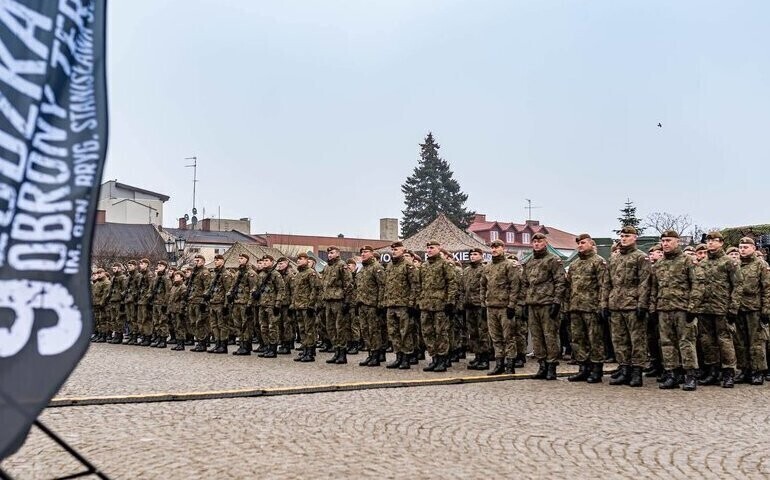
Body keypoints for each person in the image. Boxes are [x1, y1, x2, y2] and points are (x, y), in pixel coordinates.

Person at [690, 231, 743, 388]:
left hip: (722, 308)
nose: (710, 243)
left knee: (725, 340)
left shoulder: (728, 262)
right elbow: (697, 287)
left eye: (714, 241)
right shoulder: (703, 263)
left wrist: (733, 308)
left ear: (721, 243)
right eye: (709, 241)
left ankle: (728, 372)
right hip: (705, 309)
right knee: (707, 341)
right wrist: (694, 307)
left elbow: (738, 286)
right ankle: (712, 371)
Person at [650, 230, 698, 391]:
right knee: (666, 343)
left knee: (686, 342)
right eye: (663, 241)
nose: (665, 244)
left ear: (677, 242)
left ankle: (690, 375)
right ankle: (672, 374)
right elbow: (654, 289)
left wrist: (693, 308)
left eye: (669, 240)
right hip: (664, 309)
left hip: (682, 308)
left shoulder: (687, 261)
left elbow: (696, 285)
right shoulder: (659, 264)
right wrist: (653, 309)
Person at [604, 226, 651, 387]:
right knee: (619, 340)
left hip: (633, 305)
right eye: (622, 236)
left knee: (637, 340)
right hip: (616, 304)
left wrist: (642, 304)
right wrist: (605, 303)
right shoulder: (614, 259)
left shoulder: (641, 258)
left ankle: (637, 371)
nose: (623, 238)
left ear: (635, 237)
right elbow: (607, 283)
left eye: (627, 236)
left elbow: (645, 282)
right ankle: (624, 369)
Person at [521, 233, 567, 380]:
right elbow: (524, 284)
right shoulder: (529, 262)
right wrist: (523, 303)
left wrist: (556, 301)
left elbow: (560, 282)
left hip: (547, 303)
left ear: (545, 242)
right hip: (533, 304)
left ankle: (552, 365)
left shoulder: (553, 260)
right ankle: (542, 365)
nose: (536, 244)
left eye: (540, 241)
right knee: (537, 336)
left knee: (550, 335)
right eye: (534, 241)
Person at [565, 234, 607, 383]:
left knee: (594, 339)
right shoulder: (575, 264)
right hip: (576, 307)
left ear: (590, 244)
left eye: (583, 243)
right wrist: (567, 306)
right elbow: (569, 286)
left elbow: (604, 285)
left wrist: (602, 305)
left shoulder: (598, 262)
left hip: (592, 307)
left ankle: (596, 369)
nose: (580, 246)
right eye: (579, 243)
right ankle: (583, 368)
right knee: (578, 339)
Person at [481, 240, 523, 375]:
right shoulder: (487, 267)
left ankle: (510, 364)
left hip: (505, 307)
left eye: (497, 247)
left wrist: (512, 305)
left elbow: (515, 286)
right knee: (495, 337)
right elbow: (483, 286)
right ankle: (499, 363)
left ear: (503, 248)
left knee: (508, 337)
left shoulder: (509, 265)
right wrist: (483, 303)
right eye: (492, 247)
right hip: (491, 306)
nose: (494, 250)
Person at [417, 240, 458, 372]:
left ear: (439, 248)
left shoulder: (445, 264)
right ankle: (434, 359)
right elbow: (420, 285)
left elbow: (452, 283)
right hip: (426, 305)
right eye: (428, 248)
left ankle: (442, 359)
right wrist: (419, 301)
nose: (429, 250)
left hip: (440, 305)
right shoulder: (424, 266)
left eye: (432, 248)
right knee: (428, 333)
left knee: (441, 333)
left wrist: (450, 302)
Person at [734, 237, 770, 385]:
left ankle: (757, 371)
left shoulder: (760, 265)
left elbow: (767, 289)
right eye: (741, 247)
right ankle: (744, 369)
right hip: (738, 308)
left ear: (753, 248)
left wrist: (766, 309)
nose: (743, 249)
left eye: (746, 247)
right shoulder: (735, 265)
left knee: (756, 342)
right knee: (740, 342)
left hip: (754, 308)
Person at [355, 245, 386, 367]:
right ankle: (370, 354)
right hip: (362, 304)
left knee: (374, 331)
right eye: (362, 252)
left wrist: (380, 304)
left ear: (372, 253)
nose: (363, 254)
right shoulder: (363, 269)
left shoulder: (376, 267)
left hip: (373, 305)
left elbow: (382, 286)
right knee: (366, 331)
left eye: (366, 252)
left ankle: (376, 355)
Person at [462, 247, 491, 370]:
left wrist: (485, 304)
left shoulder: (484, 269)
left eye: (475, 254)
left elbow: (487, 287)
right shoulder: (467, 270)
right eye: (471, 255)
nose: (472, 256)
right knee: (473, 333)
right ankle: (477, 356)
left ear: (481, 256)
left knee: (482, 332)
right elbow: (463, 287)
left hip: (480, 305)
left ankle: (485, 358)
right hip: (469, 305)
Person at [290, 252, 320, 362]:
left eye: (301, 259)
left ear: (307, 260)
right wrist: (293, 305)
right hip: (299, 305)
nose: (298, 260)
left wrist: (311, 305)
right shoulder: (298, 274)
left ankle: (310, 352)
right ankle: (305, 350)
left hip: (307, 306)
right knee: (302, 330)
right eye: (298, 259)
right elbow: (296, 292)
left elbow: (315, 289)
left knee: (309, 330)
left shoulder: (310, 273)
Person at [256, 255, 286, 359]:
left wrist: (277, 304)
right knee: (263, 327)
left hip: (272, 305)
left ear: (272, 262)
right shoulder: (261, 274)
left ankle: (273, 349)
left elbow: (281, 289)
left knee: (272, 327)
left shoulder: (275, 274)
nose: (264, 262)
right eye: (263, 261)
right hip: (262, 304)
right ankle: (267, 346)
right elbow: (258, 288)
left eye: (266, 261)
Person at [228, 253, 258, 356]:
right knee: (238, 325)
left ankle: (246, 346)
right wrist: (230, 295)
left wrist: (250, 304)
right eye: (239, 258)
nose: (240, 260)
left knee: (246, 325)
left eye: (242, 258)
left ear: (247, 260)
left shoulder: (251, 273)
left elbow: (253, 289)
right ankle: (241, 345)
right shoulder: (237, 273)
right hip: (237, 302)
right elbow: (233, 286)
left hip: (245, 303)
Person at [187, 254, 212, 352]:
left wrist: (204, 301)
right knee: (193, 322)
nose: (196, 262)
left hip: (200, 301)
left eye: (198, 260)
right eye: (195, 260)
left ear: (203, 261)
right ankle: (199, 341)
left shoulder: (205, 273)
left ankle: (203, 342)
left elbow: (208, 287)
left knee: (200, 322)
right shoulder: (194, 272)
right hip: (192, 300)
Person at [150, 260, 172, 348]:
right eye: (158, 265)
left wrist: (165, 304)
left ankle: (163, 340)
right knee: (156, 321)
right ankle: (158, 338)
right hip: (155, 303)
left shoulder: (166, 278)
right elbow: (152, 290)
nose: (158, 267)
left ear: (164, 267)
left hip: (162, 303)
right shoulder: (156, 278)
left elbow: (168, 292)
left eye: (161, 266)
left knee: (162, 322)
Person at [136, 258, 156, 346]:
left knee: (146, 319)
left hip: (145, 300)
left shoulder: (149, 275)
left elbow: (151, 288)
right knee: (140, 319)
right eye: (140, 264)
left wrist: (148, 299)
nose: (140, 265)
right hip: (140, 299)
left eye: (142, 264)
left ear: (147, 265)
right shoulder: (141, 275)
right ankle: (143, 336)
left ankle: (148, 337)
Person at [107, 263, 128, 344]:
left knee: (119, 319)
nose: (113, 270)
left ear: (119, 268)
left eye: (115, 268)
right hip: (113, 300)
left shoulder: (122, 278)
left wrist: (122, 302)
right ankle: (115, 334)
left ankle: (119, 335)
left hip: (119, 301)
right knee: (113, 319)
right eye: (113, 268)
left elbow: (124, 290)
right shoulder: (113, 278)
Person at [168, 271, 188, 351]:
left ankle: (181, 344)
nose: (175, 277)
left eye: (177, 276)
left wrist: (182, 310)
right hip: (173, 309)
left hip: (179, 309)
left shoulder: (182, 287)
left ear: (182, 277)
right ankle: (178, 342)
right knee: (175, 326)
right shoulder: (174, 287)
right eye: (175, 276)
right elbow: (170, 299)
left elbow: (183, 300)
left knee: (180, 326)